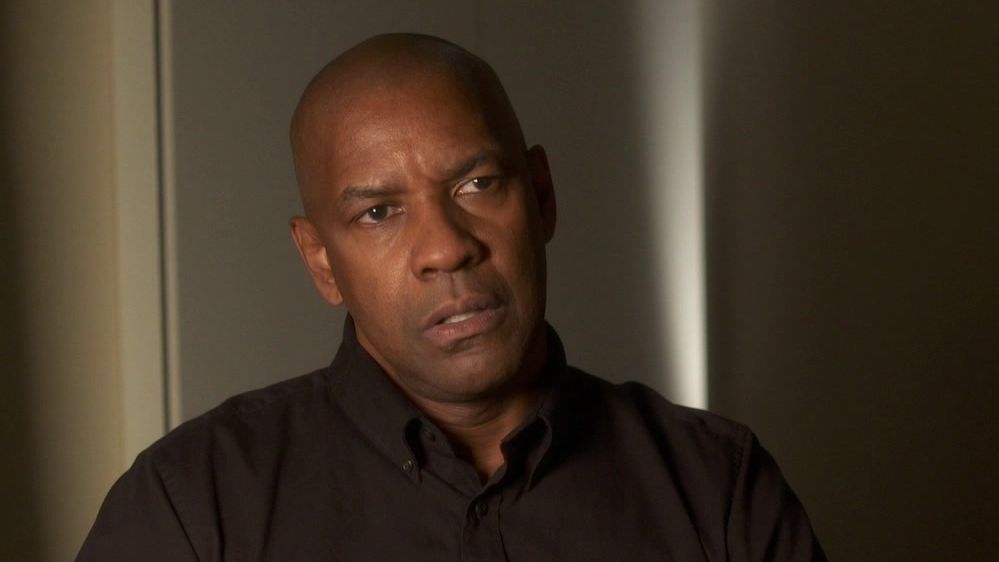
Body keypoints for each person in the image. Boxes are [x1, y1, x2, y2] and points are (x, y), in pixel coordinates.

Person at [77, 33, 825, 561]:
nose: (446, 248)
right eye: (379, 212)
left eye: (477, 184)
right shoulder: (192, 507)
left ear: (541, 197)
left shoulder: (716, 486)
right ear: (321, 260)